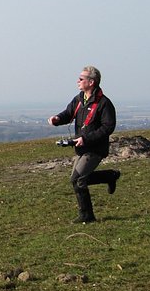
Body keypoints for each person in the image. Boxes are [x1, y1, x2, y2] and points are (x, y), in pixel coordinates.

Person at [48, 65, 120, 223]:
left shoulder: (104, 103)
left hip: (95, 149)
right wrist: (57, 119)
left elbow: (108, 127)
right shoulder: (79, 99)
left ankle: (87, 216)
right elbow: (68, 114)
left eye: (81, 79)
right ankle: (110, 175)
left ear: (91, 82)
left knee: (78, 180)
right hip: (81, 148)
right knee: (79, 179)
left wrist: (86, 139)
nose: (78, 81)